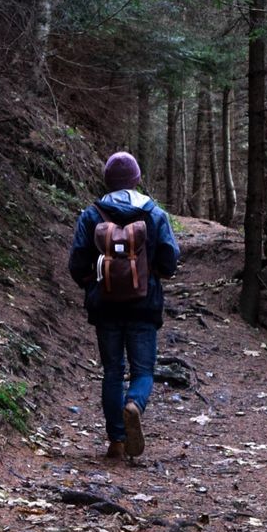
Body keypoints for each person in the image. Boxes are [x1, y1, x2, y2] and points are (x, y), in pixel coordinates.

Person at [69, 151, 180, 459]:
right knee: (143, 370)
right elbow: (170, 261)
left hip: (105, 306)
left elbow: (76, 263)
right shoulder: (154, 214)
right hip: (144, 305)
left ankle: (117, 441)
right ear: (137, 179)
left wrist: (94, 284)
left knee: (113, 371)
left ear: (107, 180)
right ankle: (134, 404)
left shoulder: (92, 214)